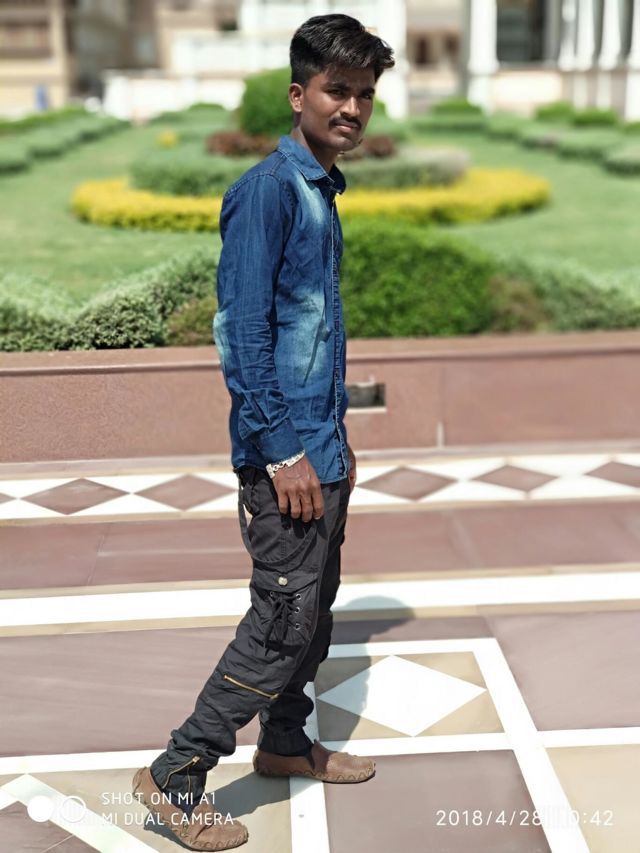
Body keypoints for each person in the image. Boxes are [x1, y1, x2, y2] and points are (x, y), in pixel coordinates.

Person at [132, 14, 395, 851]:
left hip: (322, 449)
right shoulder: (269, 191)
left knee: (312, 614)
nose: (351, 107)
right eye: (336, 90)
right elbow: (241, 334)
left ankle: (284, 740)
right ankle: (175, 774)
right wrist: (283, 449)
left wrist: (329, 446)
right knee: (279, 624)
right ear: (297, 94)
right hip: (288, 457)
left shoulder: (320, 189)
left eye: (364, 94)